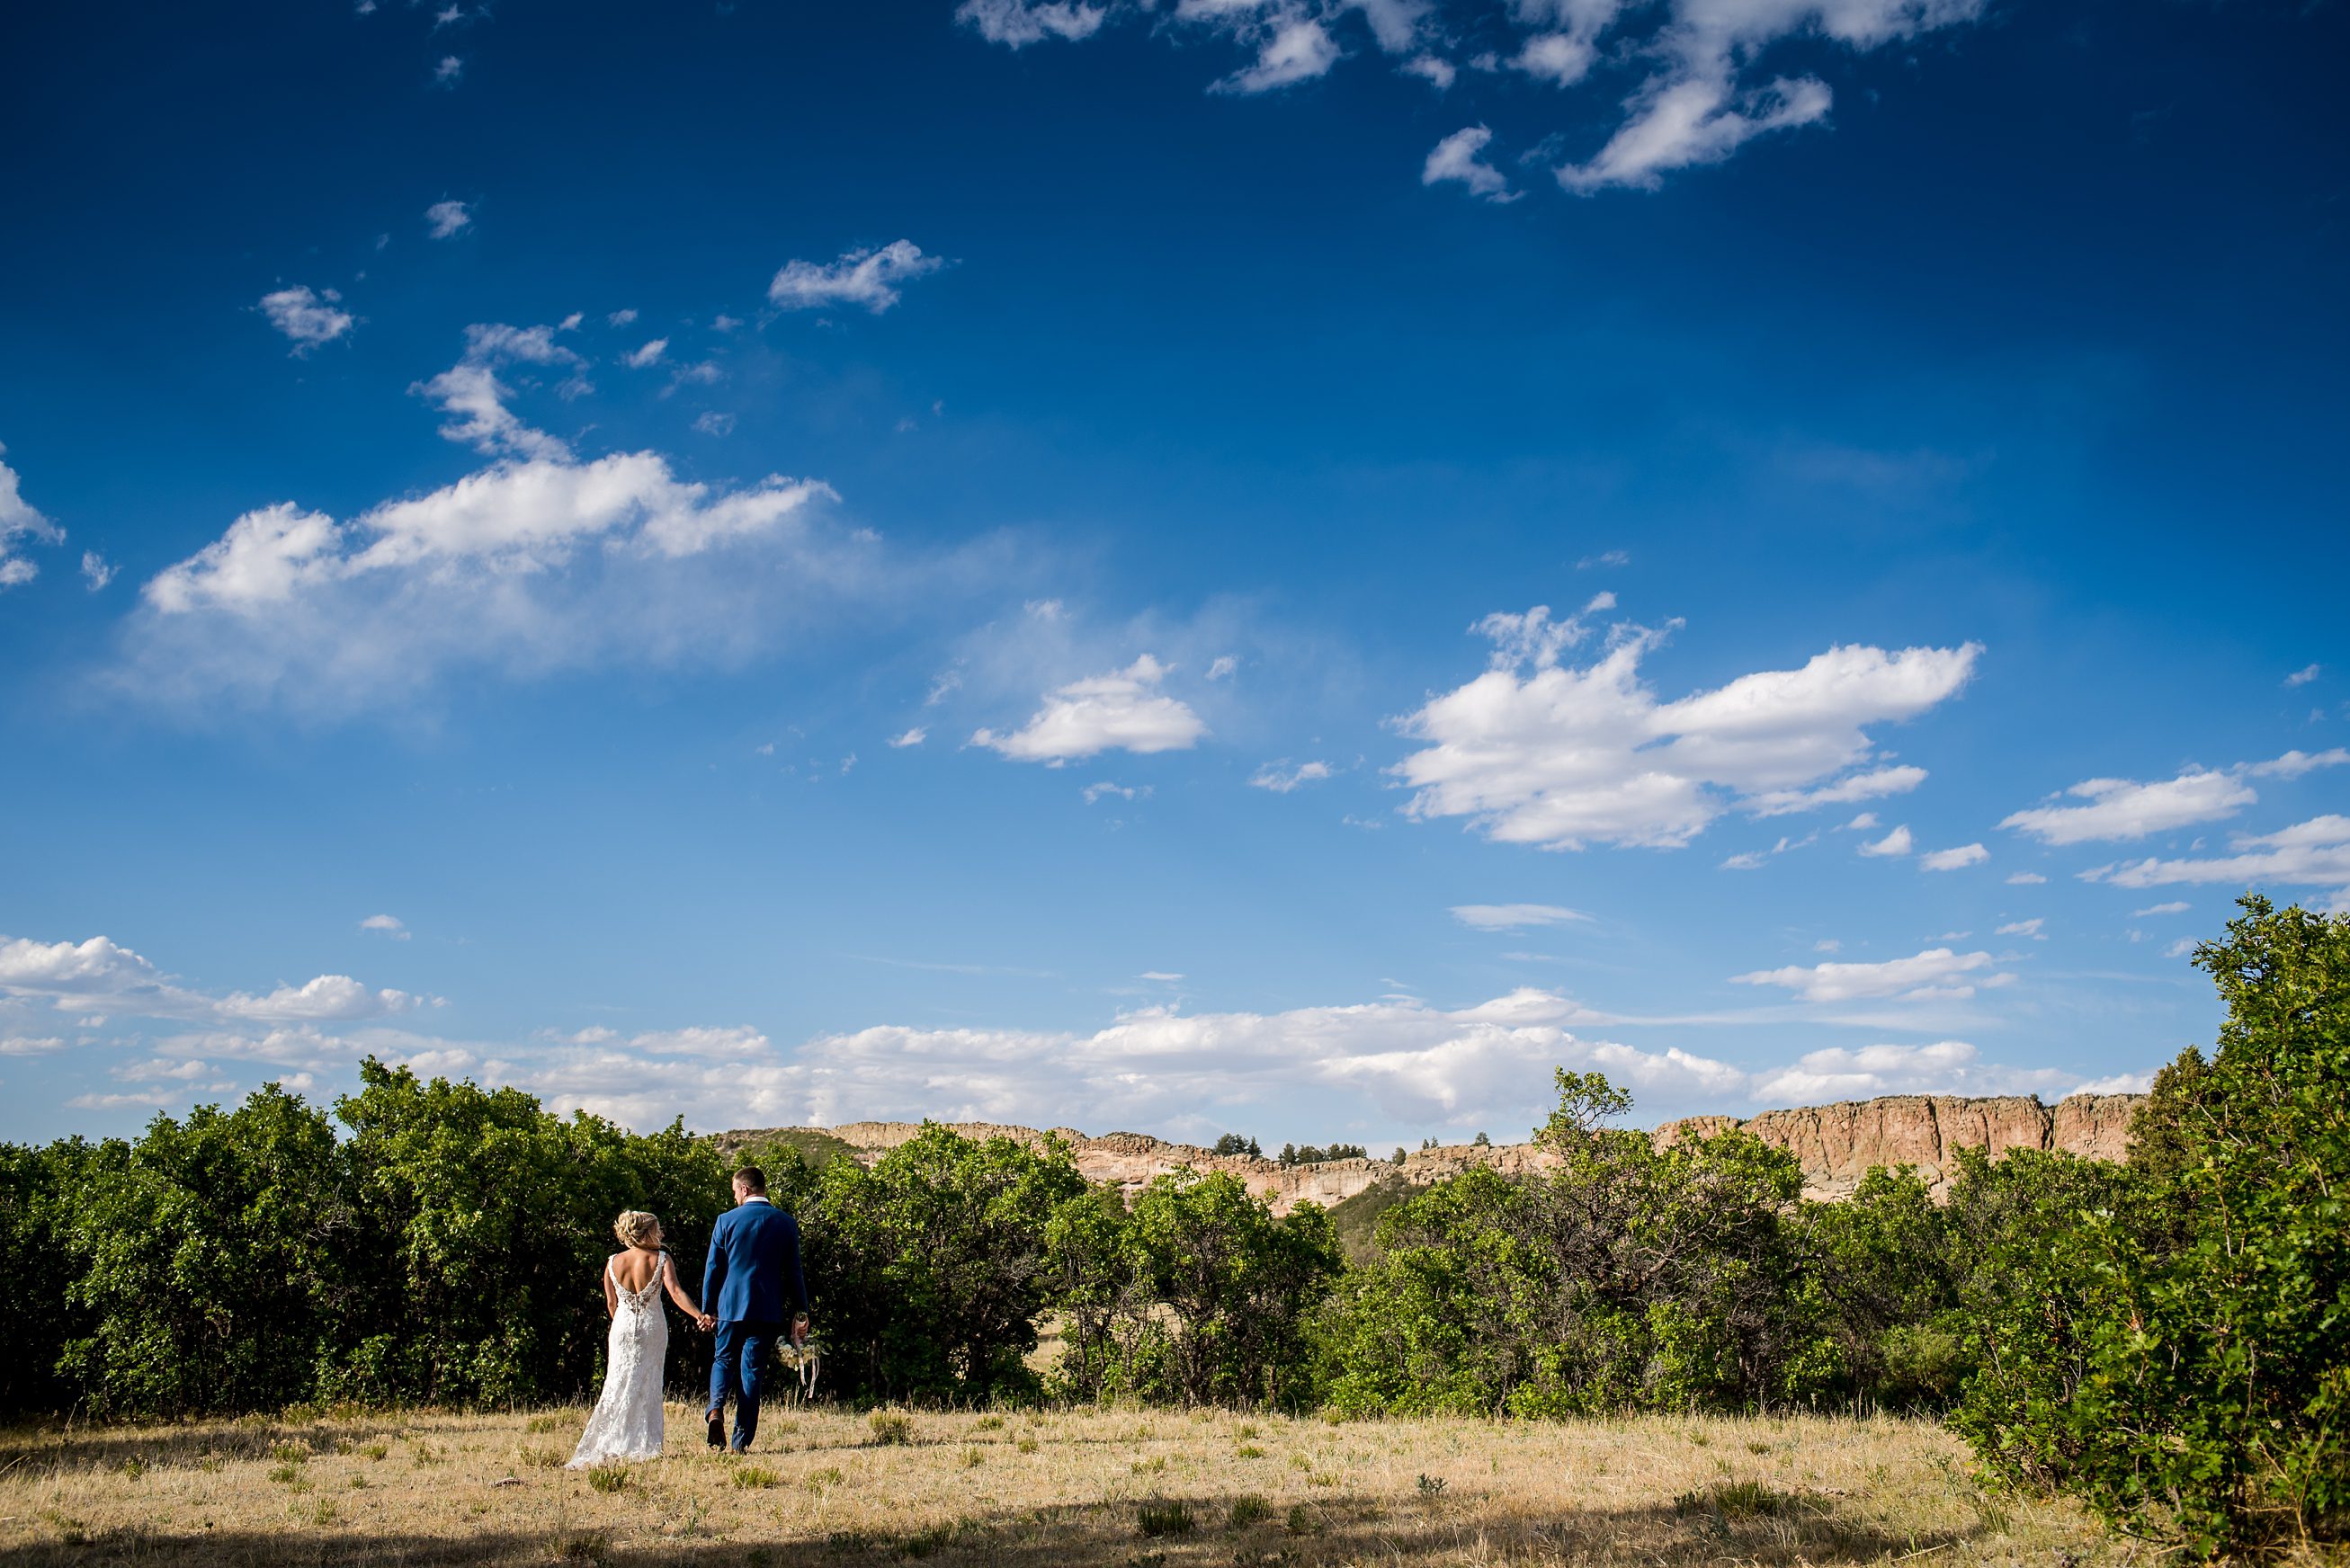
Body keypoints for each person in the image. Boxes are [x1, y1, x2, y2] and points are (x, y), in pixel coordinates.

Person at [566, 1210, 713, 1468]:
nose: (662, 1235)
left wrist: (624, 1322)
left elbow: (612, 1304)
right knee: (648, 1381)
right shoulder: (661, 1259)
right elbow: (676, 1292)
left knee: (617, 1382)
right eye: (658, 1230)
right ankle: (643, 1442)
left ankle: (614, 1439)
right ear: (647, 1233)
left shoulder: (613, 1262)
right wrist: (699, 1315)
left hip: (621, 1328)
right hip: (652, 1327)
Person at [703, 1164, 809, 1452]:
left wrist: (707, 1309)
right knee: (751, 1374)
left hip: (729, 1306)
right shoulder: (785, 1222)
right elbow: (794, 1271)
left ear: (745, 1189)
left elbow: (713, 1269)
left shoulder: (726, 1221)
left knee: (723, 1360)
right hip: (766, 1309)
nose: (735, 1197)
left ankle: (715, 1409)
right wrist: (801, 1311)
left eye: (735, 1192)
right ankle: (740, 1440)